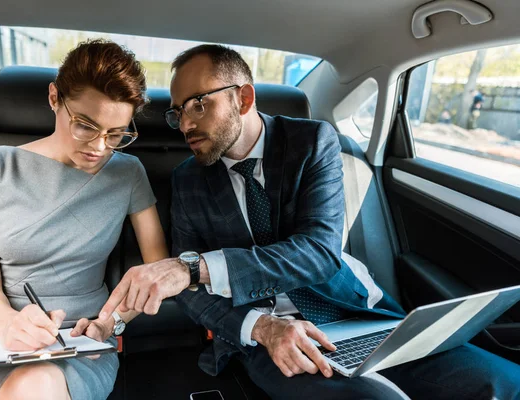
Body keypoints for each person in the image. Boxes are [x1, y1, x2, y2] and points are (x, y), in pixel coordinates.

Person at [100, 45, 520, 399]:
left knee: (501, 383)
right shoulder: (188, 178)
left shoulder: (312, 142)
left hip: (355, 314)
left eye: (198, 104)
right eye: (177, 113)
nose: (186, 124)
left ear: (243, 99)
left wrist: (199, 267)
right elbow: (189, 293)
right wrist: (262, 327)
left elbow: (319, 252)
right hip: (262, 334)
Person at [0, 39, 168, 400]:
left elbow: (157, 271)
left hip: (84, 339)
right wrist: (9, 325)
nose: (98, 147)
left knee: (37, 384)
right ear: (53, 99)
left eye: (116, 134)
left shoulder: (129, 173)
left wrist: (112, 322)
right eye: (85, 126)